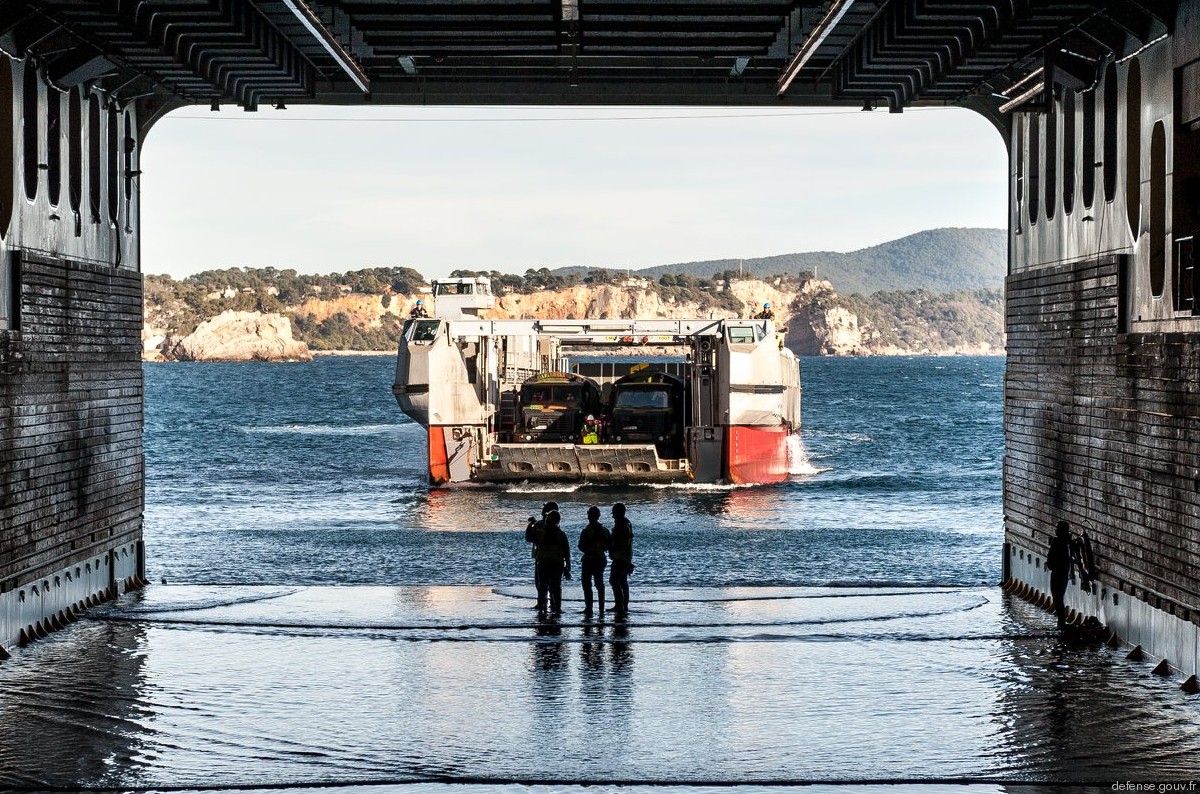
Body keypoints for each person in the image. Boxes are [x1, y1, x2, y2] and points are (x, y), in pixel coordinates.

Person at [534, 509, 571, 615]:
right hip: (557, 563)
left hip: (543, 563)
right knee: (556, 587)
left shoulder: (541, 533)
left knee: (543, 587)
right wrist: (568, 565)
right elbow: (566, 551)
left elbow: (529, 537)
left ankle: (542, 608)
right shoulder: (561, 534)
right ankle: (557, 608)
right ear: (558, 521)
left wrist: (531, 525)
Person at [578, 505, 611, 616]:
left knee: (587, 584)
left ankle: (589, 608)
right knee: (599, 584)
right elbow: (609, 546)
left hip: (588, 559)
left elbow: (581, 547)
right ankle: (601, 608)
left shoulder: (586, 530)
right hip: (601, 558)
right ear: (599, 516)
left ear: (589, 516)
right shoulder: (605, 530)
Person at [526, 501, 558, 601]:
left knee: (540, 583)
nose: (542, 510)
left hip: (541, 558)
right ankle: (554, 604)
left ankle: (541, 604)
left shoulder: (539, 525)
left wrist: (530, 525)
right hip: (555, 559)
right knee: (553, 584)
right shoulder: (557, 528)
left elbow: (529, 538)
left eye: (544, 508)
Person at [1047, 520, 1074, 629]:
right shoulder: (1065, 542)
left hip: (1059, 572)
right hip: (1059, 571)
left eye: (1058, 528)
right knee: (1058, 597)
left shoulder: (1059, 542)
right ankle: (1061, 621)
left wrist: (1051, 564)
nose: (1056, 530)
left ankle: (1061, 621)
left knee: (1057, 597)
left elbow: (1053, 554)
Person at [609, 502, 634, 616]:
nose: (613, 515)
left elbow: (619, 542)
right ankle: (623, 606)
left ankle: (620, 605)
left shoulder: (621, 525)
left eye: (614, 512)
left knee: (614, 580)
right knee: (622, 581)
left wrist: (613, 551)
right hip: (626, 556)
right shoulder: (626, 523)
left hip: (621, 557)